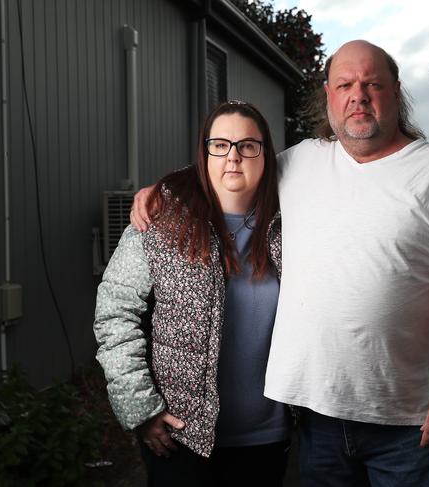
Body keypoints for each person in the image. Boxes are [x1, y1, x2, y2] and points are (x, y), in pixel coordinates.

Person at [131, 40, 429, 486]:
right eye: (345, 84)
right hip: (317, 420)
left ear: (396, 92)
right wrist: (166, 189)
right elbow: (235, 164)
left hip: (408, 422)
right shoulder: (302, 161)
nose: (358, 95)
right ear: (328, 95)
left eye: (372, 84)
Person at [94, 100, 290, 487]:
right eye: (220, 145)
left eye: (248, 146)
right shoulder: (160, 220)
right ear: (204, 153)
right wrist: (141, 410)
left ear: (266, 155)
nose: (233, 157)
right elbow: (115, 314)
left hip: (267, 439)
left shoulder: (293, 224)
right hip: (180, 437)